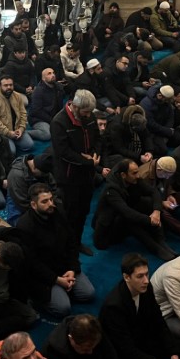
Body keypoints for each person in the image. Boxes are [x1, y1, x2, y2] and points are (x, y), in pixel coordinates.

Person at [98, 253, 180, 359]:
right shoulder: (114, 307)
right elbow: (127, 349)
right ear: (126, 277)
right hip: (124, 354)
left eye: (147, 274)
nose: (146, 280)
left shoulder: (146, 289)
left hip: (143, 340)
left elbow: (158, 321)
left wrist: (173, 355)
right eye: (140, 276)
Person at [17, 183, 94, 317]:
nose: (51, 204)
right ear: (34, 205)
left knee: (88, 294)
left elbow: (71, 242)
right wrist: (57, 280)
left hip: (64, 267)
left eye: (51, 199)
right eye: (45, 201)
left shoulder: (58, 212)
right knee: (63, 309)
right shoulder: (25, 226)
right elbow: (33, 264)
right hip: (43, 277)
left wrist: (72, 269)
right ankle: (41, 298)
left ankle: (64, 289)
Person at [92, 159, 175, 260]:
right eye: (134, 173)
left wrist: (156, 212)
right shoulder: (111, 190)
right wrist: (150, 220)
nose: (138, 176)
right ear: (123, 175)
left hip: (122, 217)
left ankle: (160, 241)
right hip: (106, 232)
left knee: (149, 203)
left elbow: (153, 192)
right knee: (129, 220)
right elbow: (126, 212)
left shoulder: (133, 178)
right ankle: (156, 248)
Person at [51, 89, 100, 253]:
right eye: (86, 112)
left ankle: (76, 243)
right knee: (70, 215)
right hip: (69, 178)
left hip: (87, 174)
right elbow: (63, 152)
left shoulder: (89, 116)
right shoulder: (59, 122)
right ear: (75, 106)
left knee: (83, 212)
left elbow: (98, 139)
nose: (88, 116)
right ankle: (66, 247)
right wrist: (86, 160)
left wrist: (94, 154)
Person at [0, 74, 34, 154]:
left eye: (10, 85)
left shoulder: (17, 96)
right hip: (3, 134)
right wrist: (9, 133)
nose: (9, 87)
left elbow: (23, 114)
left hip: (17, 130)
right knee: (12, 152)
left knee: (29, 145)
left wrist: (21, 129)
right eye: (5, 85)